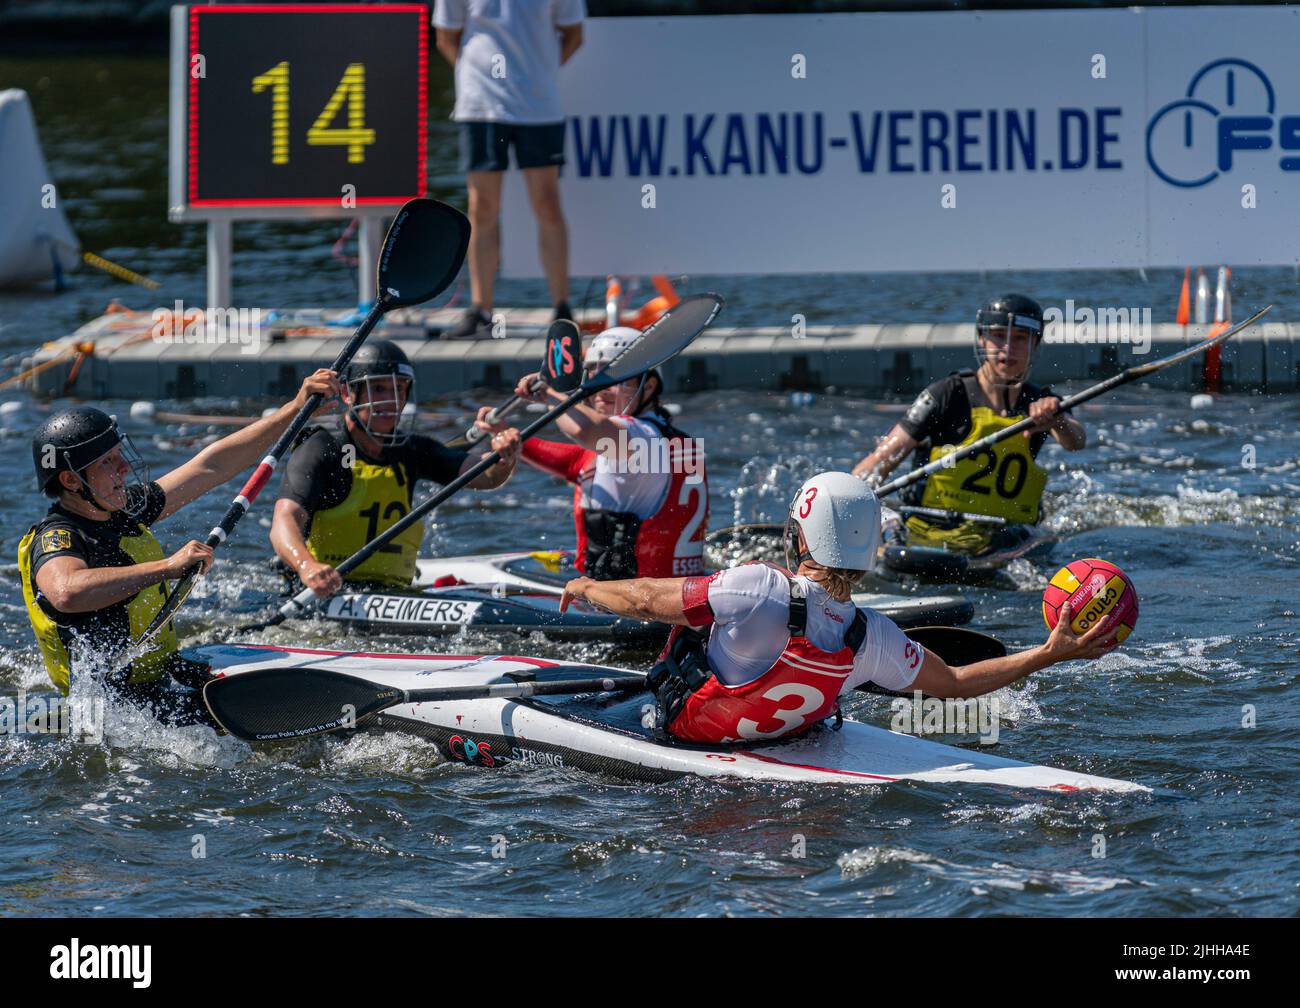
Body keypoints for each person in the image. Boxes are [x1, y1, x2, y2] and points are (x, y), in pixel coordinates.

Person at [560, 471, 1120, 745]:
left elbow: (646, 601)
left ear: (800, 539)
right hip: (776, 742)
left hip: (682, 733)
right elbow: (952, 682)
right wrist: (1049, 653)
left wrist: (586, 587)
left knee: (682, 640)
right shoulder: (870, 636)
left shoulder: (759, 588)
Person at [19, 369, 339, 724]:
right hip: (112, 707)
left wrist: (295, 409)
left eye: (118, 455)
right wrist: (167, 568)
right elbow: (66, 591)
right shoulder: (58, 536)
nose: (124, 467)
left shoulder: (122, 509)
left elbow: (212, 465)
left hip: (158, 680)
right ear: (70, 480)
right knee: (278, 711)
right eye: (108, 462)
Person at [271, 340, 521, 596]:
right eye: (377, 389)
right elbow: (284, 520)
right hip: (324, 594)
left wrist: (505, 457)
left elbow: (487, 477)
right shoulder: (322, 448)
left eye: (398, 390)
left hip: (393, 593)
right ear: (348, 394)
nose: (390, 401)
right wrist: (307, 566)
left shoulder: (410, 450)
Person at [850, 294, 1086, 557]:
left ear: (1035, 343)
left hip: (1001, 535)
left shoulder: (1045, 404)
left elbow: (1076, 441)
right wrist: (850, 498)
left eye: (1020, 337)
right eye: (998, 335)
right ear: (982, 340)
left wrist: (1059, 420)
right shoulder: (947, 394)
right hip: (928, 523)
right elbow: (882, 459)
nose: (1007, 347)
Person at [474, 326, 708, 579]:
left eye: (615, 374)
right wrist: (505, 432)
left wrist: (549, 394)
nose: (601, 386)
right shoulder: (667, 441)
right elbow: (574, 461)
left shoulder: (642, 439)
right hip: (679, 595)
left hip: (641, 605)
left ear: (648, 387)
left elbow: (583, 429)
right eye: (594, 373)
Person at [434, 0, 585, 339]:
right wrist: (478, 79)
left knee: (547, 202)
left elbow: (574, 34)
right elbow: (445, 37)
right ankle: (481, 309)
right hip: (481, 104)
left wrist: (538, 74)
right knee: (482, 207)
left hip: (538, 106)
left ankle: (562, 308)